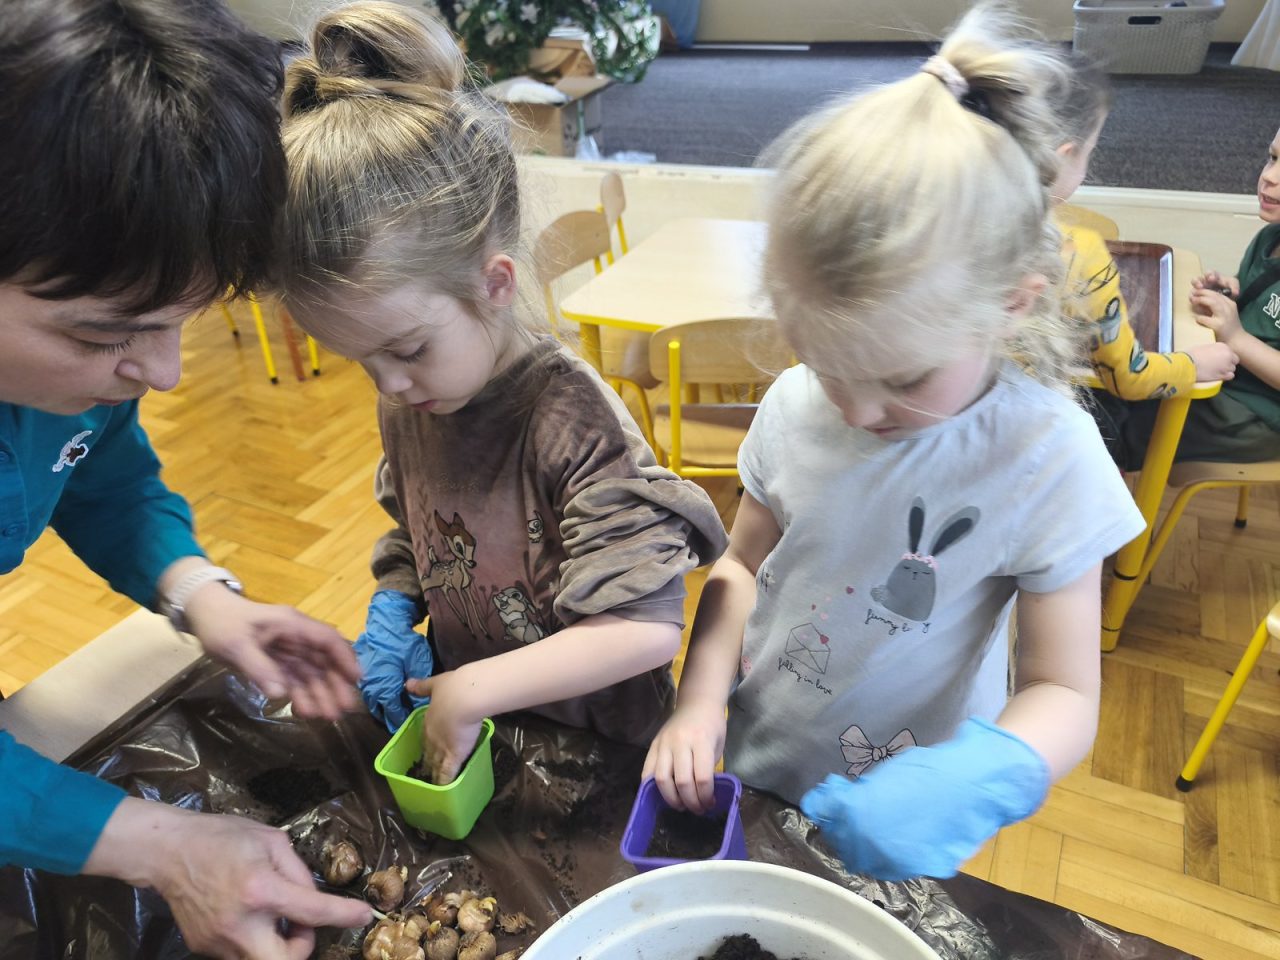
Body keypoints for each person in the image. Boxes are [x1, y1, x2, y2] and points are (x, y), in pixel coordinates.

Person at [642, 3, 1146, 882]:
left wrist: (986, 776)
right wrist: (698, 700)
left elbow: (1063, 689)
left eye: (905, 379)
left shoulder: (1048, 457)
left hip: (905, 814)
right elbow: (740, 567)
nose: (859, 410)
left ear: (1013, 302)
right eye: (826, 364)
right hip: (753, 764)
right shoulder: (798, 405)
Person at [274, 2, 727, 784]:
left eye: (405, 350)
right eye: (358, 361)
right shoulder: (413, 397)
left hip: (598, 753)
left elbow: (646, 628)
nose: (387, 385)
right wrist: (395, 605)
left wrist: (477, 687)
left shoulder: (572, 422)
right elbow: (422, 528)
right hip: (488, 736)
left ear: (494, 284)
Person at [0, 1, 370, 956]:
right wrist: (162, 846)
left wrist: (199, 593)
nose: (163, 374)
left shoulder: (61, 379)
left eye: (181, 323)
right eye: (104, 334)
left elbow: (100, 474)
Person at [1049, 57, 1237, 404]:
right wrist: (1193, 364)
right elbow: (1129, 377)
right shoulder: (1082, 255)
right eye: (1090, 151)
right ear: (1065, 156)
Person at [1095, 124, 1280, 467]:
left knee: (1115, 425)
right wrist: (1228, 294)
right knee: (1108, 388)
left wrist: (1236, 336)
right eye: (1272, 158)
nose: (1269, 176)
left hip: (1256, 414)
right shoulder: (1269, 238)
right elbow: (1260, 307)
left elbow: (1245, 336)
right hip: (1224, 373)